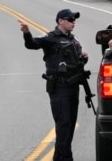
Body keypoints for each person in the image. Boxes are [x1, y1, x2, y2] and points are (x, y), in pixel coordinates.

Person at [18, 9, 88, 161]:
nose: (73, 22)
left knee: (69, 125)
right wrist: (26, 33)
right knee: (63, 123)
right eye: (70, 19)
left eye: (74, 19)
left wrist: (84, 56)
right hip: (59, 87)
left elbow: (77, 62)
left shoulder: (74, 39)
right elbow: (32, 44)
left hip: (73, 86)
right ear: (60, 21)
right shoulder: (50, 38)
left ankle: (59, 157)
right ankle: (66, 158)